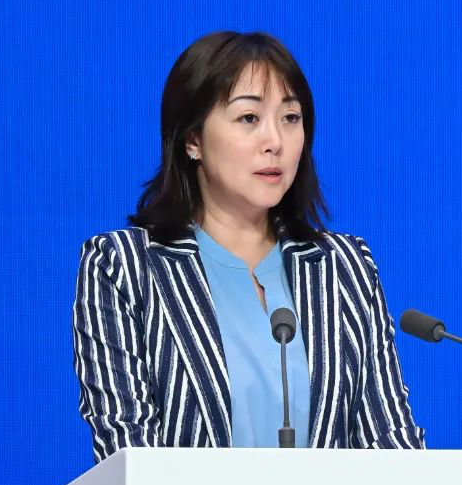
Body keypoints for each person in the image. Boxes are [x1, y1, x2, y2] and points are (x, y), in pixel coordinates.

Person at [72, 31, 425, 461]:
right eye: (249, 118)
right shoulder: (124, 267)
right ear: (192, 139)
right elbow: (126, 446)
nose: (274, 141)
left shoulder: (345, 268)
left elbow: (391, 441)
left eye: (290, 117)